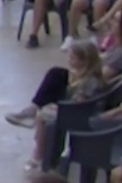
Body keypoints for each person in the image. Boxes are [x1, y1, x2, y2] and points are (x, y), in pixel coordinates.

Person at [23, 41, 104, 172]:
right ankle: (42, 146)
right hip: (77, 110)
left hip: (77, 114)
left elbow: (79, 102)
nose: (69, 61)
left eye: (72, 58)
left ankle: (39, 152)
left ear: (85, 61)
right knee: (43, 113)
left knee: (42, 116)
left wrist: (60, 105)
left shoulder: (88, 81)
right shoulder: (86, 76)